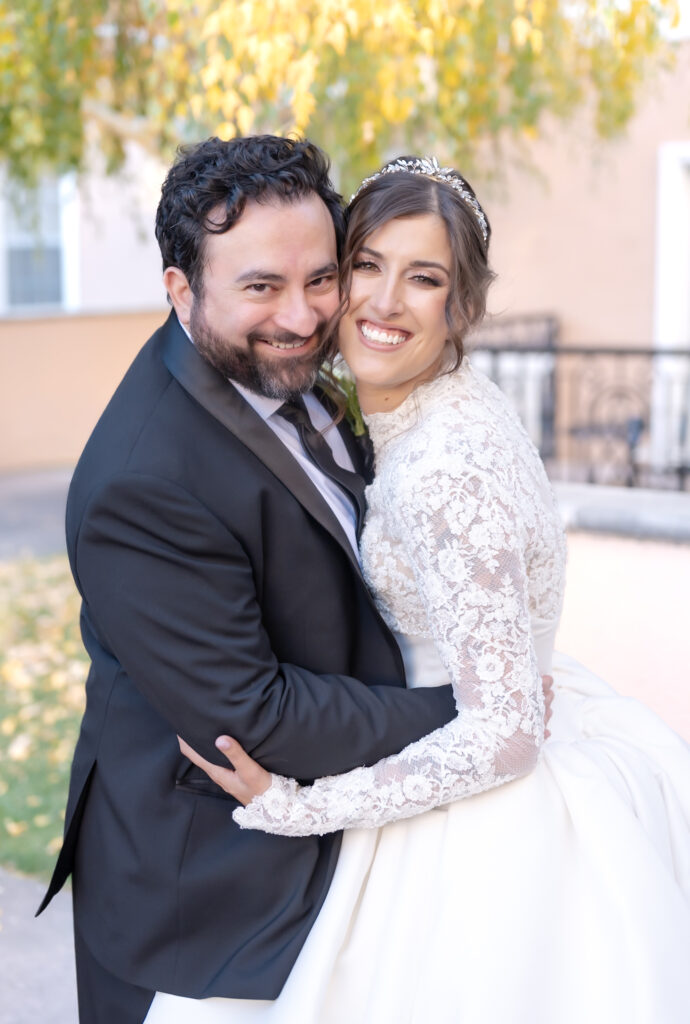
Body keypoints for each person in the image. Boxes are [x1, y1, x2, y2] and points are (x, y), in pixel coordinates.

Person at [171, 156, 690, 1023]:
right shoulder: (435, 405)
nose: (383, 302)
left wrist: (302, 807)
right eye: (365, 266)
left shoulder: (446, 466)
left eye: (424, 278)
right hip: (452, 733)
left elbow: (505, 734)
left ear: (461, 306)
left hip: (482, 818)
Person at [36, 137, 490, 1024]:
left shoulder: (289, 367)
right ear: (180, 290)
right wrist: (466, 711)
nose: (303, 315)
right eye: (260, 287)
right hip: (210, 893)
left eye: (321, 278)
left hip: (339, 815)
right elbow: (256, 715)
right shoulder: (143, 482)